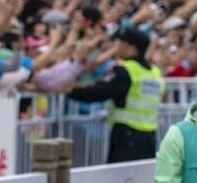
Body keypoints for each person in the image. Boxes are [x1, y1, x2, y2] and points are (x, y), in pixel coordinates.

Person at [64, 28, 164, 164]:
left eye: (120, 43)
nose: (117, 46)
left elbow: (101, 92)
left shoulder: (127, 70)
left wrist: (68, 91)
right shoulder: (155, 73)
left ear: (131, 47)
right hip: (149, 137)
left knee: (120, 180)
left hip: (127, 135)